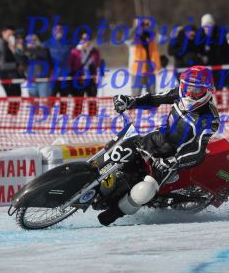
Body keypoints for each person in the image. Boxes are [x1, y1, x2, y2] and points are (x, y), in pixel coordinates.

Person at [99, 65, 219, 226]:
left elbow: (198, 151)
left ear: (208, 90)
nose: (190, 94)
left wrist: (174, 161)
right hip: (157, 139)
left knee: (146, 189)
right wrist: (130, 101)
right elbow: (154, 99)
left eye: (196, 90)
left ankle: (115, 212)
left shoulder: (210, 118)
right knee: (123, 147)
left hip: (172, 158)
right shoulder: (179, 94)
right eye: (187, 88)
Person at [199, 14, 229, 111]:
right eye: (205, 26)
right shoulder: (202, 36)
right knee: (218, 86)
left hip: (227, 63)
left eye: (209, 25)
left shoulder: (220, 32)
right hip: (214, 66)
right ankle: (220, 106)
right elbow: (201, 50)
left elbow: (226, 44)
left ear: (213, 24)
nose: (207, 28)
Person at [69, 32, 101, 117]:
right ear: (80, 40)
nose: (86, 41)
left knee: (92, 99)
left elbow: (97, 63)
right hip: (79, 78)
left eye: (88, 39)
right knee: (78, 99)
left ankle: (93, 117)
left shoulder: (94, 51)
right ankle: (76, 117)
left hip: (91, 77)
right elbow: (71, 65)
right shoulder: (75, 51)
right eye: (84, 39)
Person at [0, 26, 22, 115]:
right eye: (9, 34)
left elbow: (19, 58)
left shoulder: (11, 43)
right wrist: (16, 66)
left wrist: (15, 49)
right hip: (7, 76)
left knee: (17, 97)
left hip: (14, 75)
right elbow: (1, 65)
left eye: (12, 34)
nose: (11, 36)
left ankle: (13, 116)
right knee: (13, 98)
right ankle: (11, 117)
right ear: (3, 33)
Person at [129, 18, 161, 97]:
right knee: (135, 96)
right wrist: (135, 27)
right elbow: (127, 38)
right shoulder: (134, 38)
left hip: (150, 69)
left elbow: (159, 36)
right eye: (143, 25)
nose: (145, 27)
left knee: (152, 96)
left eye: (147, 25)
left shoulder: (152, 38)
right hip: (137, 70)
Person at [45, 24, 74, 106]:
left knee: (64, 100)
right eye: (56, 30)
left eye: (60, 30)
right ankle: (48, 112)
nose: (59, 32)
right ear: (53, 32)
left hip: (65, 75)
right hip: (52, 76)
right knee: (51, 99)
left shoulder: (69, 44)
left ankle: (63, 113)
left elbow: (75, 57)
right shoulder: (47, 44)